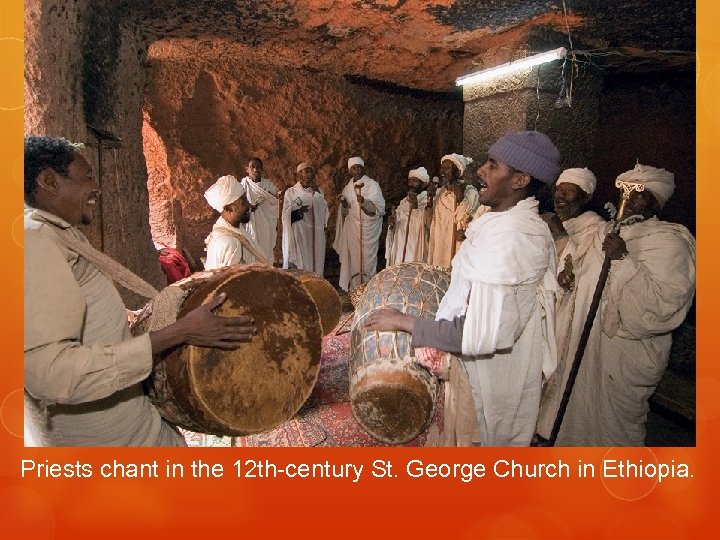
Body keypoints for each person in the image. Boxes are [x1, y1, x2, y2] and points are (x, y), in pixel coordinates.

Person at [23, 135, 257, 446]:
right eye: (88, 178)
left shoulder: (58, 232)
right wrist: (181, 332)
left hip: (127, 421)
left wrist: (129, 318)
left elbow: (68, 309)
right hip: (102, 440)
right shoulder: (34, 242)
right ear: (49, 181)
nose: (96, 188)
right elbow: (53, 374)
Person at [365, 131, 560, 446]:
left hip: (486, 383)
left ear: (520, 180)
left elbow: (482, 333)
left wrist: (405, 321)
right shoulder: (502, 225)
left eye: (493, 166)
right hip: (473, 371)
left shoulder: (513, 238)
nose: (481, 170)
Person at [552, 163, 696, 446]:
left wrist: (623, 259)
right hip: (587, 341)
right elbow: (582, 273)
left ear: (655, 203)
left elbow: (662, 305)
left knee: (614, 431)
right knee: (576, 420)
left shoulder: (670, 243)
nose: (627, 202)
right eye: (623, 194)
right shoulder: (604, 233)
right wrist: (569, 278)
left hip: (621, 352)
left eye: (638, 195)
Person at [535, 168, 607, 440]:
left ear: (585, 196)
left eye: (569, 190)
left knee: (557, 368)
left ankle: (551, 430)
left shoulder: (596, 230)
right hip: (544, 305)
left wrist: (560, 235)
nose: (560, 196)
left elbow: (588, 271)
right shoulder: (546, 220)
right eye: (558, 189)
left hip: (567, 310)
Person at [333, 156, 385, 291]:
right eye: (353, 168)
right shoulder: (347, 188)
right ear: (349, 171)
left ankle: (368, 291)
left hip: (369, 230)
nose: (357, 170)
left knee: (368, 262)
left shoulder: (373, 185)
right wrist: (344, 205)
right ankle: (356, 291)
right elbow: (344, 213)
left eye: (359, 167)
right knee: (355, 261)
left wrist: (365, 204)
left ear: (363, 168)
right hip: (353, 230)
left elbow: (379, 208)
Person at [426, 153, 480, 267]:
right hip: (440, 242)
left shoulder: (470, 193)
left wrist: (459, 197)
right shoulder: (440, 193)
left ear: (457, 171)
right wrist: (430, 199)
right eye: (442, 168)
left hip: (457, 244)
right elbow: (431, 221)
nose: (442, 172)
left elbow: (472, 219)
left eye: (447, 168)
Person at [203, 174, 266, 269]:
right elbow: (232, 282)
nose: (249, 205)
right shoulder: (229, 242)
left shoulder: (232, 229)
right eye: (243, 202)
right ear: (229, 209)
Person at [281, 162, 329, 274]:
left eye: (311, 171)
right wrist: (299, 212)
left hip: (316, 235)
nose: (309, 174)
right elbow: (285, 216)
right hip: (300, 234)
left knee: (316, 262)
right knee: (302, 264)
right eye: (306, 171)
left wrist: (317, 193)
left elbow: (324, 211)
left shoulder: (318, 191)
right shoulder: (291, 192)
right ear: (299, 175)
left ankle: (317, 288)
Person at [385, 167, 430, 266]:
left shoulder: (428, 200)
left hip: (416, 244)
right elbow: (396, 226)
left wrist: (415, 207)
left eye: (414, 181)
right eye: (409, 181)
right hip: (400, 246)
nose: (410, 184)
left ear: (423, 184)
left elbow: (427, 222)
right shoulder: (403, 202)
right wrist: (392, 226)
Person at [239, 157, 280, 263]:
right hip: (249, 224)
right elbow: (238, 204)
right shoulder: (243, 185)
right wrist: (248, 206)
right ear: (247, 169)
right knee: (250, 252)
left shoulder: (268, 185)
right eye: (252, 167)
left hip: (265, 224)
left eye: (258, 167)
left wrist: (273, 197)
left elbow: (276, 201)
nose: (255, 170)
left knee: (265, 250)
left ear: (262, 169)